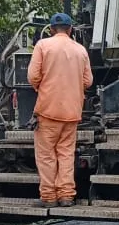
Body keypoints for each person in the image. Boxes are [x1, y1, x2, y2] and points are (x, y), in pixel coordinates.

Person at [28, 13, 93, 207]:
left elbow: (33, 76)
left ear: (51, 29)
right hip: (72, 112)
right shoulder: (80, 50)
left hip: (48, 110)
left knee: (46, 155)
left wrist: (42, 87)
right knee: (66, 154)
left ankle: (48, 197)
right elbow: (88, 81)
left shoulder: (43, 45)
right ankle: (66, 195)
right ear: (70, 29)